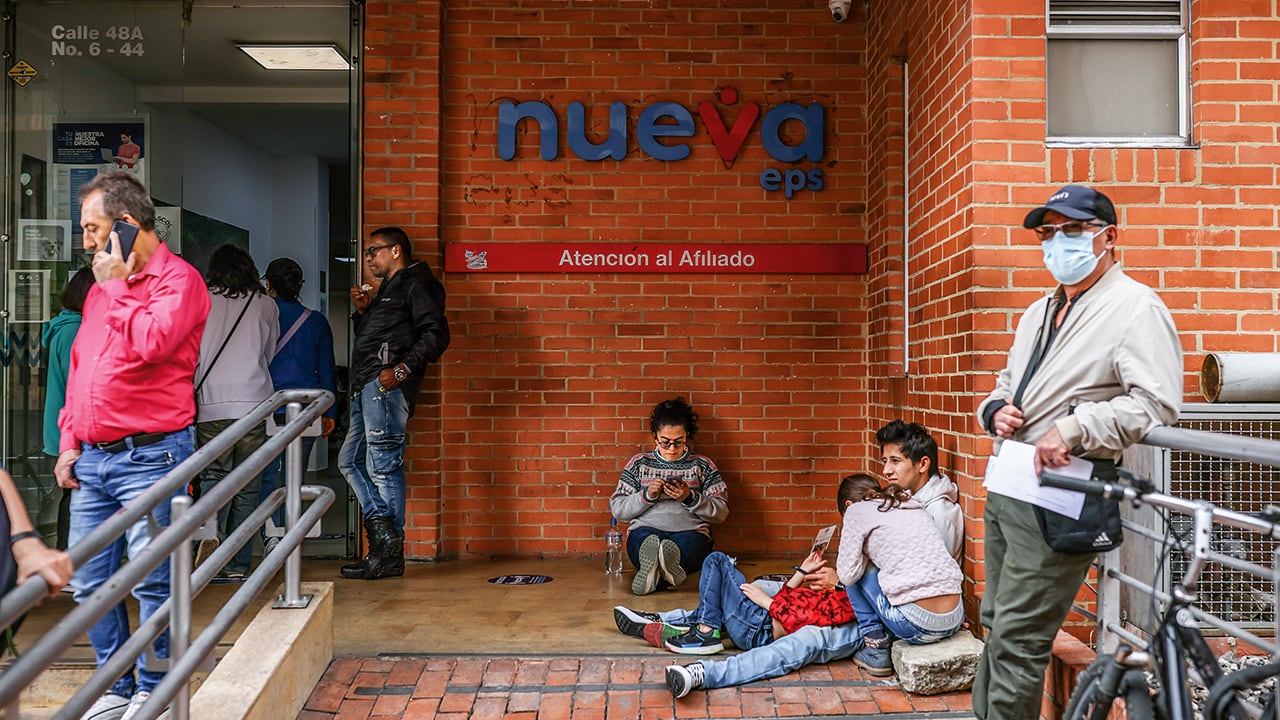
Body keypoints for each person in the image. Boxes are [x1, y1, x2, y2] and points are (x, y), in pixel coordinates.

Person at [974, 184, 1182, 720]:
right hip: (1009, 487)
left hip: (1064, 494)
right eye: (1047, 233)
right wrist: (994, 408)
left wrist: (1075, 428)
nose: (1056, 243)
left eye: (1071, 230)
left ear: (1108, 237)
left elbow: (1157, 402)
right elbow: (1007, 380)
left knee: (1019, 639)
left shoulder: (1135, 306)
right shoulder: (1040, 309)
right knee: (996, 624)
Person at [53, 171, 209, 720]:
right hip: (93, 460)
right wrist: (69, 438)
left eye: (93, 229)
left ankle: (155, 688)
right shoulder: (98, 289)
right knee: (90, 582)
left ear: (124, 225)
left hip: (153, 456)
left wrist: (118, 284)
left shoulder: (179, 281)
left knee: (154, 581)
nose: (87, 242)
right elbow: (82, 367)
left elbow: (152, 344)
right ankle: (115, 686)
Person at [659, 460, 968, 696]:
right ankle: (676, 620)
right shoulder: (903, 525)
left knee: (725, 567)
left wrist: (706, 675)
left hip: (771, 624)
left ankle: (701, 646)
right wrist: (805, 576)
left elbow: (783, 647)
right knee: (752, 581)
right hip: (801, 611)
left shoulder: (857, 606)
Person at [340, 227, 450, 580]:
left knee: (383, 467)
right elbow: (381, 338)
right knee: (350, 460)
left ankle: (388, 552)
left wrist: (400, 371)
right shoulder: (389, 290)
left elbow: (436, 334)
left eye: (374, 251)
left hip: (385, 388)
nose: (369, 258)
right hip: (367, 386)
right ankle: (386, 538)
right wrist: (363, 313)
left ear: (396, 251)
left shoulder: (418, 283)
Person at [194, 244, 279, 580]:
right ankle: (237, 565)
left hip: (211, 403)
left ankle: (210, 544)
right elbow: (268, 351)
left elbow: (192, 352)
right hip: (254, 403)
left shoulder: (200, 300)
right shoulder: (265, 305)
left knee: (214, 477)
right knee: (248, 486)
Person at [836, 473, 964, 675]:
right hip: (955, 618)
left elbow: (847, 575)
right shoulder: (910, 503)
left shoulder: (856, 511)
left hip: (917, 627)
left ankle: (876, 648)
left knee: (856, 572)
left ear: (848, 504)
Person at [257, 258, 337, 556]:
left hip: (267, 406)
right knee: (295, 474)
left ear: (269, 284)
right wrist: (330, 413)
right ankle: (292, 532)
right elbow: (327, 370)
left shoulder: (262, 317)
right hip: (305, 408)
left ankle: (271, 536)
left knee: (267, 473)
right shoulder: (315, 321)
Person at [610, 398, 729, 595]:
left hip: (690, 532)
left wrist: (690, 497)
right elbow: (618, 509)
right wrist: (647, 495)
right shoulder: (639, 463)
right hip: (646, 530)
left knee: (686, 548)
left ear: (687, 436)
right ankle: (664, 572)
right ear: (655, 437)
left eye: (678, 442)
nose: (672, 449)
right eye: (665, 443)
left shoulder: (702, 465)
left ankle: (655, 574)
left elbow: (721, 512)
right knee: (643, 541)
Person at [43, 267, 95, 550]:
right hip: (73, 426)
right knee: (77, 496)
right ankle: (69, 558)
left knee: (75, 494)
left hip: (63, 422)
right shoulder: (75, 330)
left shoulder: (63, 328)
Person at [876, 419, 963, 560]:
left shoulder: (939, 514)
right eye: (885, 461)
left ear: (923, 464)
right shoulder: (907, 498)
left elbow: (935, 575)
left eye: (895, 461)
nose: (886, 470)